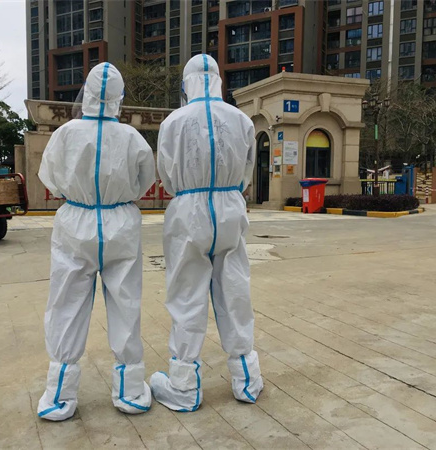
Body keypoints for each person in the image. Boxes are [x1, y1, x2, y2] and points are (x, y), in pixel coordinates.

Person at [37, 62, 155, 421]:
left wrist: (78, 194)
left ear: (86, 93)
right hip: (121, 222)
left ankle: (59, 395)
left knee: (66, 303)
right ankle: (131, 391)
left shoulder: (65, 133)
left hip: (76, 220)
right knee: (126, 303)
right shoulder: (132, 137)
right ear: (120, 98)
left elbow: (50, 177)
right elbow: (145, 180)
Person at [150, 54, 263, 412]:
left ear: (185, 84)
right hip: (230, 206)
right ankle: (247, 379)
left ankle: (184, 386)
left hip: (188, 209)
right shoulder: (241, 120)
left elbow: (167, 173)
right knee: (235, 292)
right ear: (218, 81)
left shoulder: (173, 121)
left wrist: (190, 190)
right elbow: (247, 170)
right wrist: (228, 190)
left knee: (187, 296)